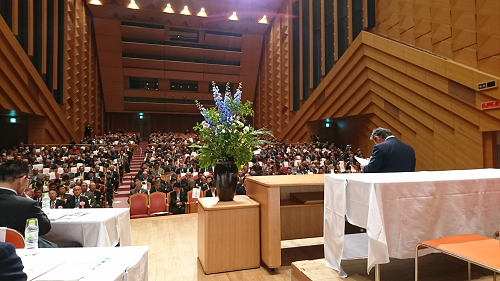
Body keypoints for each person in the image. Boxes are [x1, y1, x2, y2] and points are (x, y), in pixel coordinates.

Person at [0, 161, 56, 248]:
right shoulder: (26, 204)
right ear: (21, 179)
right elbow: (44, 228)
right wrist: (29, 201)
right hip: (21, 249)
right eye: (28, 179)